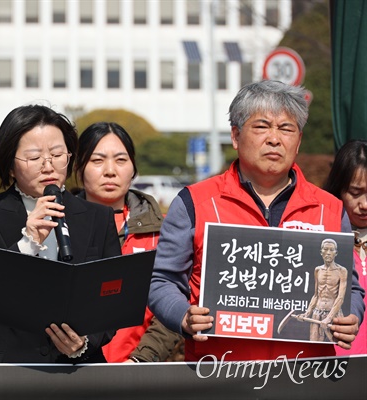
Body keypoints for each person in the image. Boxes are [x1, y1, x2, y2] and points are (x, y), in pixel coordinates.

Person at [149, 80, 365, 361]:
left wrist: (352, 316)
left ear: (298, 141)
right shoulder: (195, 202)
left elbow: (353, 287)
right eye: (262, 126)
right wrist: (183, 316)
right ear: (236, 136)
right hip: (218, 374)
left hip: (306, 375)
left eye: (286, 128)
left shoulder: (330, 209)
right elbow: (162, 280)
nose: (274, 139)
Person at [0, 104, 122, 363]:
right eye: (34, 158)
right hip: (5, 369)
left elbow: (112, 299)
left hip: (79, 370)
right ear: (10, 166)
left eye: (57, 154)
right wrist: (26, 243)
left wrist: (83, 343)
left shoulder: (98, 217)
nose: (48, 166)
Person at [74, 121, 184, 363]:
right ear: (79, 168)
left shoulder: (163, 231)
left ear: (133, 169)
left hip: (136, 371)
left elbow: (174, 303)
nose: (110, 170)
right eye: (97, 160)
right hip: (67, 369)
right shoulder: (54, 226)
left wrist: (141, 361)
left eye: (121, 160)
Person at [324, 139, 367, 354]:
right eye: (355, 192)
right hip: (332, 365)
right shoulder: (322, 239)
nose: (365, 204)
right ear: (338, 189)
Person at [299, 239, 348, 342]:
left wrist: (329, 318)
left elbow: (340, 297)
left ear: (336, 253)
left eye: (331, 250)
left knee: (338, 346)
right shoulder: (318, 270)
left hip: (334, 314)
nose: (328, 253)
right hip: (317, 313)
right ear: (321, 252)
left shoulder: (341, 271)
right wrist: (307, 313)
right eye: (325, 249)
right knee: (314, 346)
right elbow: (316, 295)